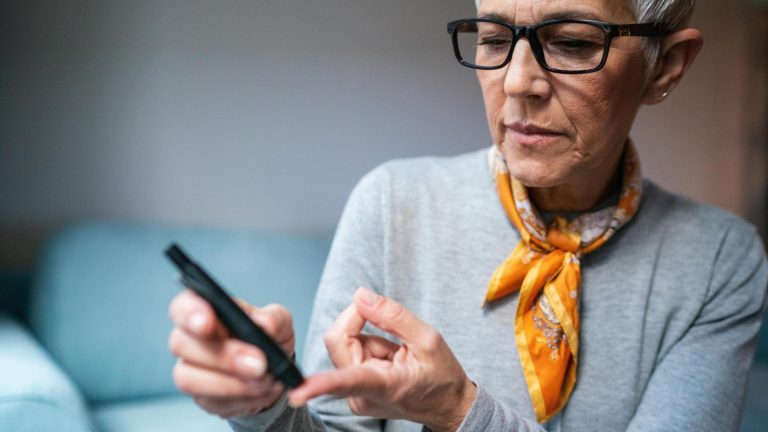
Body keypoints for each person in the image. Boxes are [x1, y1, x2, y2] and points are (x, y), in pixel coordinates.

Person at [167, 0, 768, 430]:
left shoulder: (720, 261)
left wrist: (458, 410)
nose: (517, 83)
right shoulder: (391, 202)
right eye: (494, 39)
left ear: (665, 66)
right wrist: (266, 407)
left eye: (574, 43)